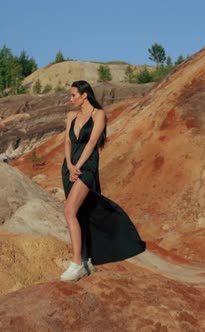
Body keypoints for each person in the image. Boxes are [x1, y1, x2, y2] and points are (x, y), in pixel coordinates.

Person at [60, 80, 146, 282]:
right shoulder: (71, 116)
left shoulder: (99, 115)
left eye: (73, 95)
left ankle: (76, 264)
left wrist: (79, 166)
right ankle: (86, 259)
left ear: (84, 95)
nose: (70, 98)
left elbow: (91, 144)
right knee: (81, 213)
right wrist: (70, 167)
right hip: (69, 168)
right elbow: (66, 142)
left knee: (69, 211)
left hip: (87, 167)